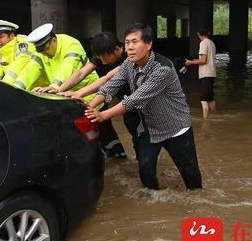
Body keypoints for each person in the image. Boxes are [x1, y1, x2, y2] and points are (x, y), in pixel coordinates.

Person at [85, 23, 203, 190]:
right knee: (146, 168)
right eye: (127, 43)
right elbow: (111, 86)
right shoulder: (128, 64)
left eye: (135, 42)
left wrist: (103, 116)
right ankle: (154, 202)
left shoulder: (163, 68)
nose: (130, 47)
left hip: (176, 128)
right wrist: (91, 106)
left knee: (191, 176)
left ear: (148, 45)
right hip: (149, 128)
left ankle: (196, 201)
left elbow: (135, 99)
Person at [57, 32, 140, 158]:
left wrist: (78, 93)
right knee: (136, 135)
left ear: (117, 49)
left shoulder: (131, 57)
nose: (103, 62)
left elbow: (107, 79)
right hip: (126, 103)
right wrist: (58, 90)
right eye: (99, 58)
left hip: (143, 99)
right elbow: (81, 73)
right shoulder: (104, 54)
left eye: (105, 57)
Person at [13, 23, 99, 102]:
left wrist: (54, 87)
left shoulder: (71, 44)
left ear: (53, 40)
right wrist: (15, 89)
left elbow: (67, 68)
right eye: (41, 51)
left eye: (45, 49)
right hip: (63, 96)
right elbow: (30, 70)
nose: (44, 53)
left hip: (89, 95)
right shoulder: (42, 52)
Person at [0, 19, 48, 89]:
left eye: (1, 37)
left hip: (40, 88)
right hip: (19, 89)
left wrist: (4, 87)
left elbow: (19, 66)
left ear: (11, 36)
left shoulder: (23, 44)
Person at [185, 29, 216, 118]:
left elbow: (203, 61)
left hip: (205, 74)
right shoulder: (211, 43)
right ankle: (215, 116)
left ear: (198, 34)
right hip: (212, 73)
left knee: (203, 99)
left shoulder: (203, 43)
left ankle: (205, 119)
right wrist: (195, 60)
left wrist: (190, 63)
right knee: (210, 98)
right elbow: (206, 59)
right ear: (208, 33)